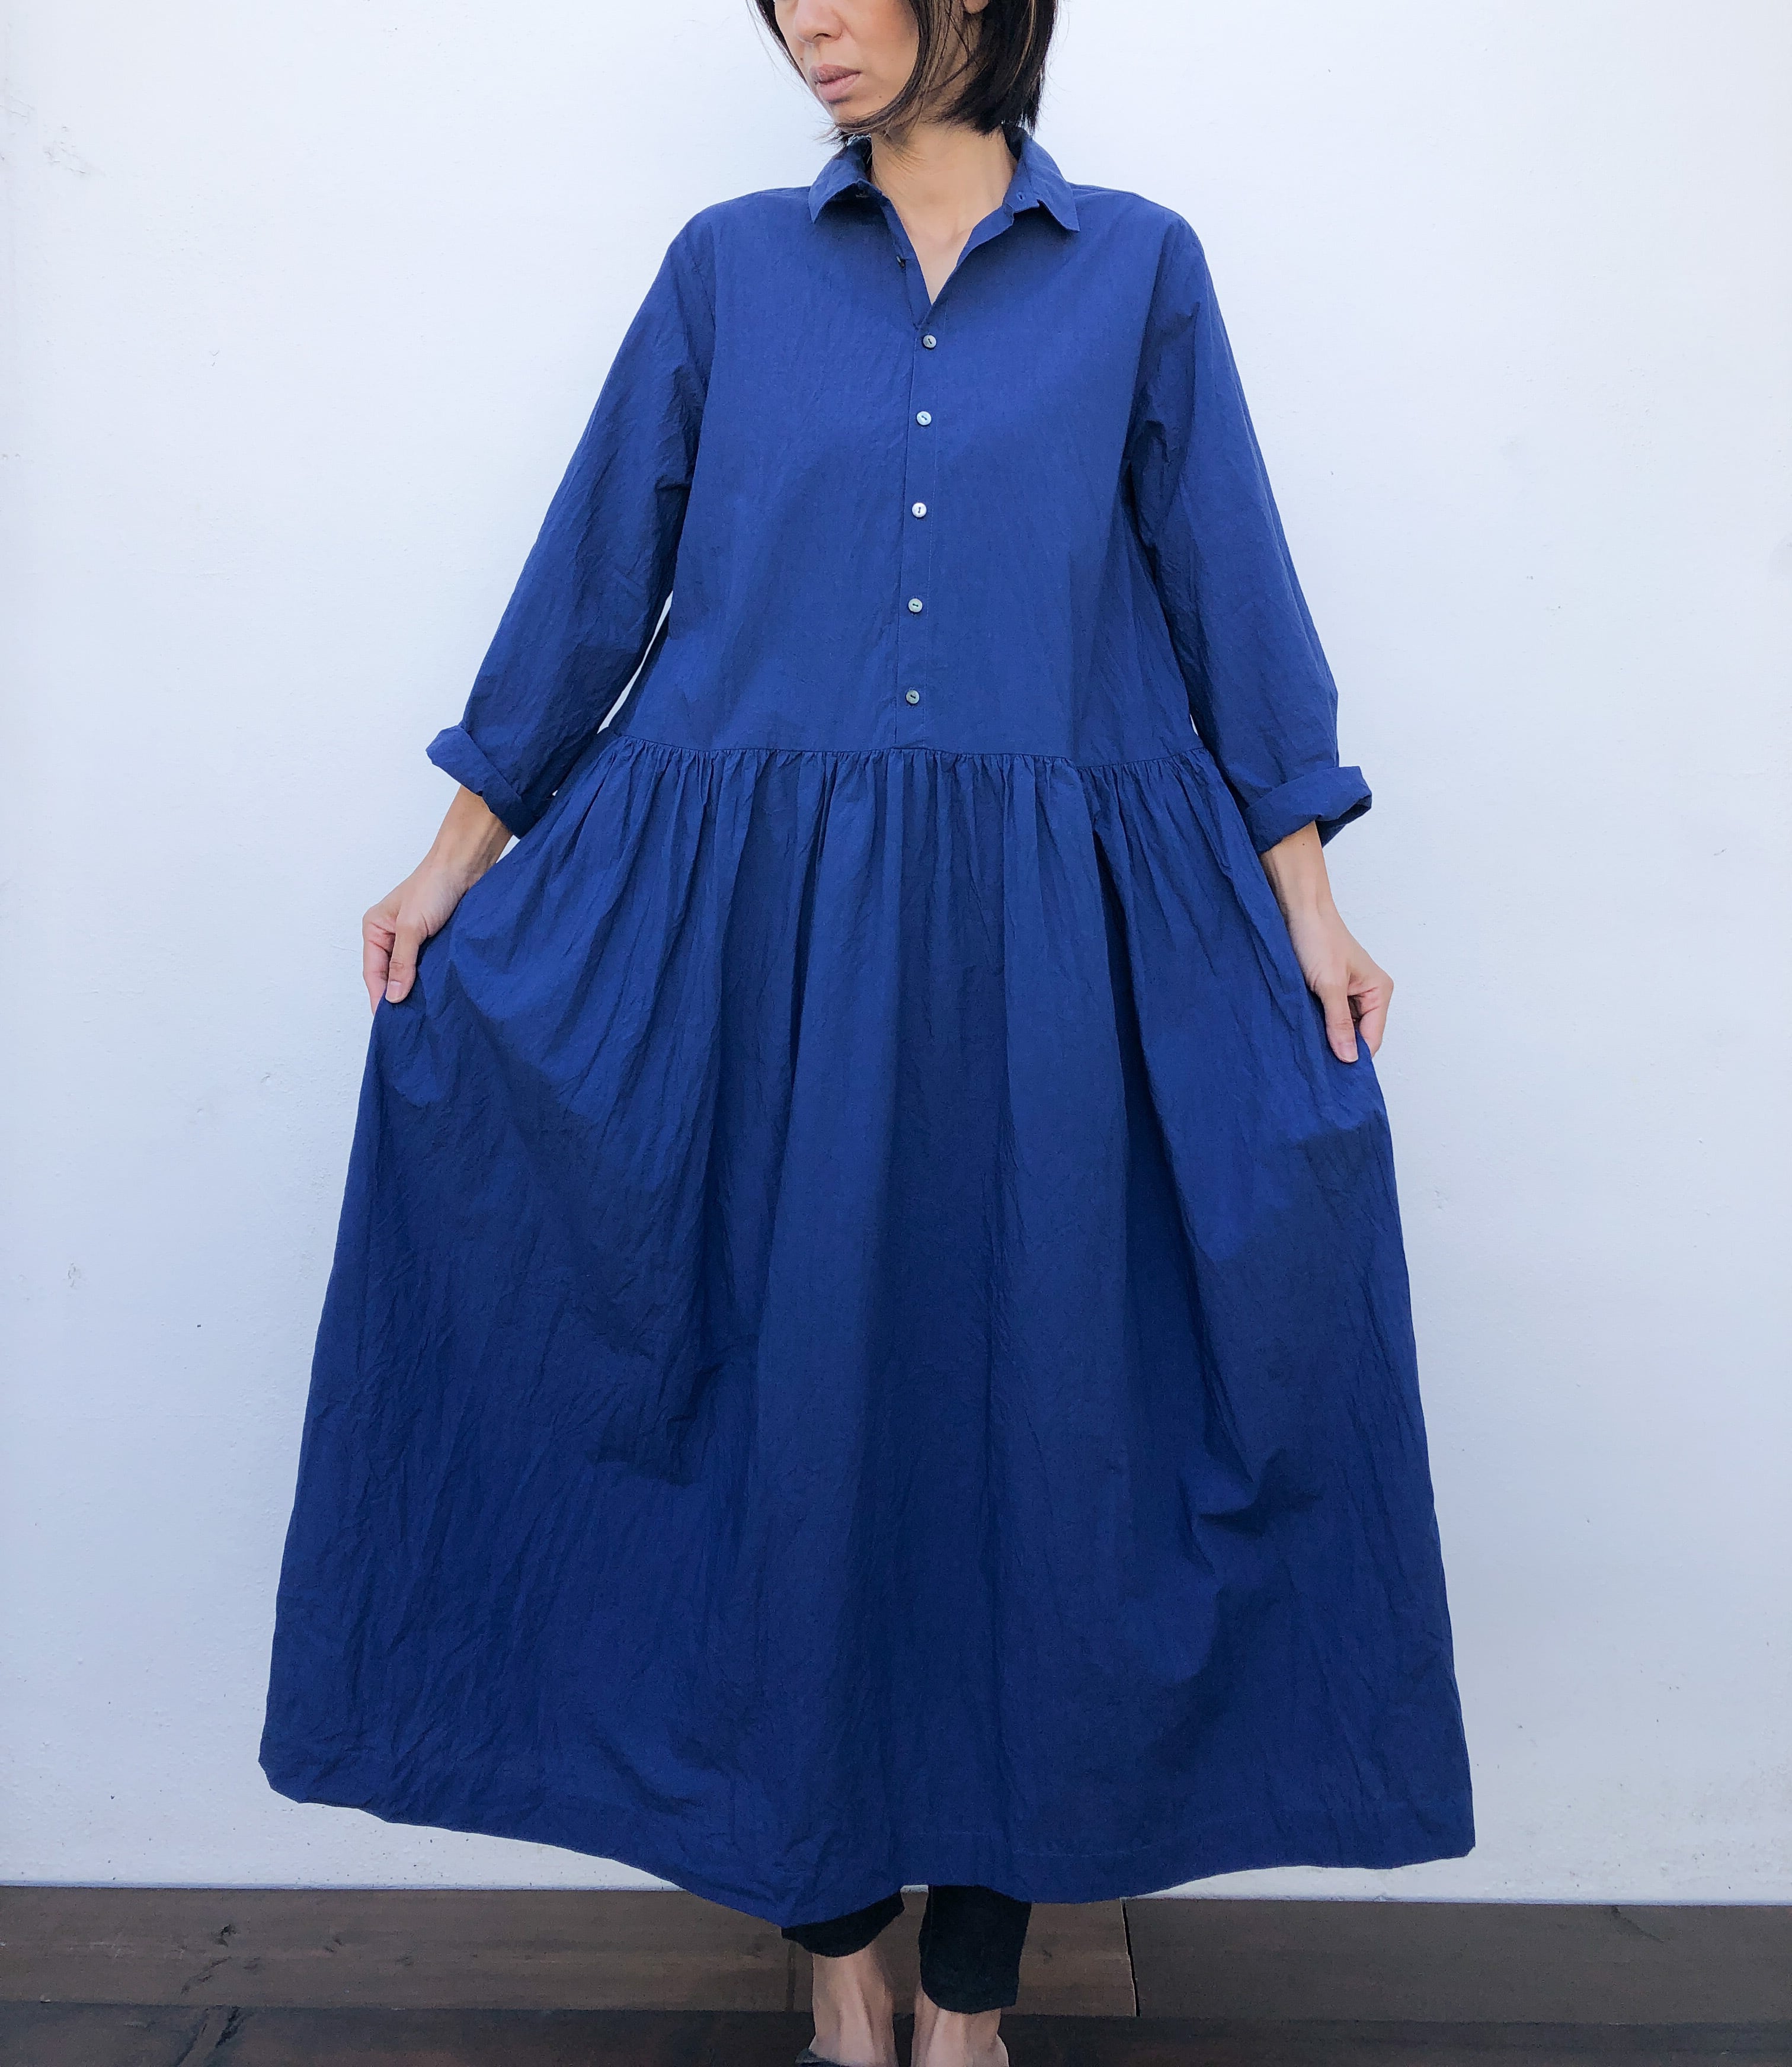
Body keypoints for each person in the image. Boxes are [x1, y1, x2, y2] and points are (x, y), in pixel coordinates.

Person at [260, 2, 1476, 2063]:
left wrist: (1311, 906)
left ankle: (972, 2001)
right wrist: (454, 858)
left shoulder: (1141, 269)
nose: (804, 24)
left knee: (1043, 1431)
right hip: (757, 930)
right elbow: (596, 573)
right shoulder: (726, 267)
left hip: (1049, 933)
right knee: (779, 1415)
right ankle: (841, 1967)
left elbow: (1230, 592)